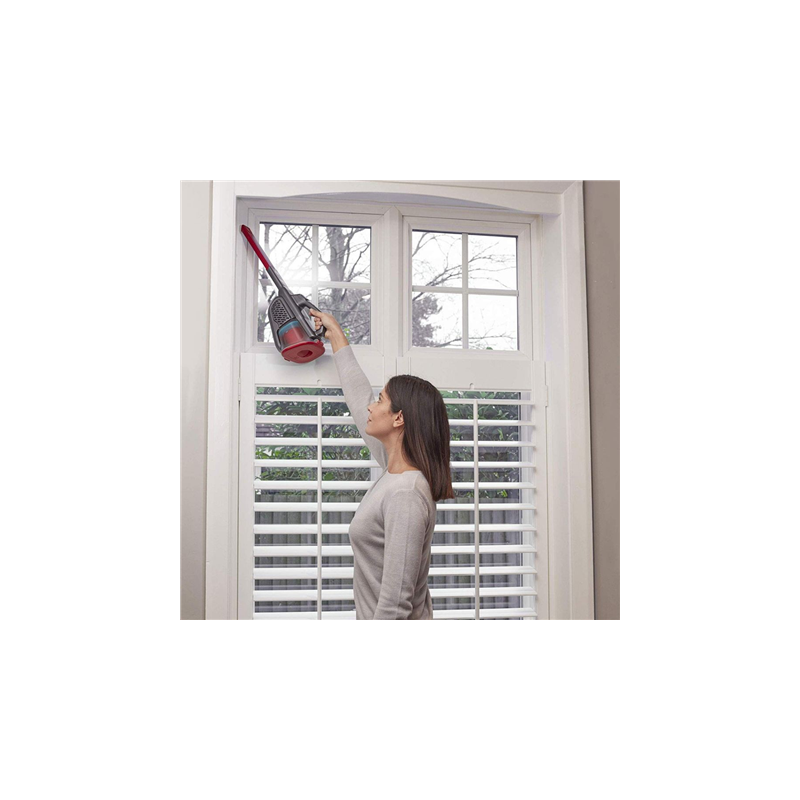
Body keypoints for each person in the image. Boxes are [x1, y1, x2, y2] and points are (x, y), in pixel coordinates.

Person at [308, 308, 455, 620]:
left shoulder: (405, 494)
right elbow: (359, 398)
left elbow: (395, 605)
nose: (371, 407)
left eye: (380, 401)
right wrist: (336, 335)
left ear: (398, 418)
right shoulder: (395, 471)